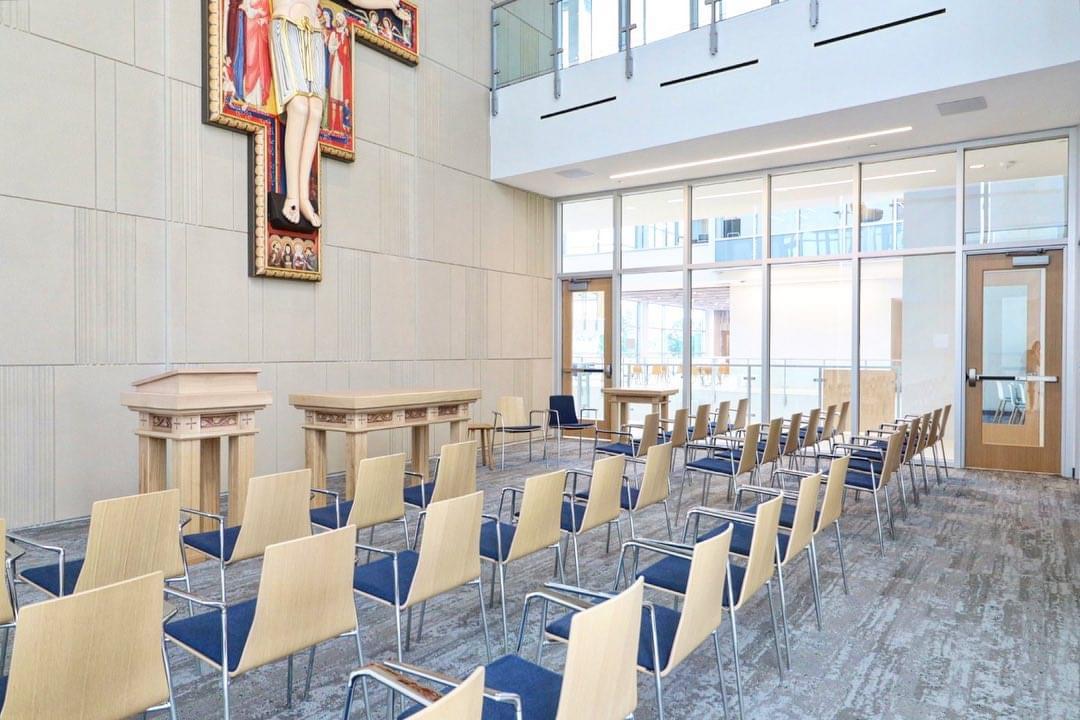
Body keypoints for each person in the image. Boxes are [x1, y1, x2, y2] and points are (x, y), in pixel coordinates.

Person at [268, 0, 402, 228]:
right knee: (299, 107)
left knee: (315, 111)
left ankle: (303, 197)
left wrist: (389, 4)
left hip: (314, 33)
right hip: (287, 25)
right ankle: (292, 196)